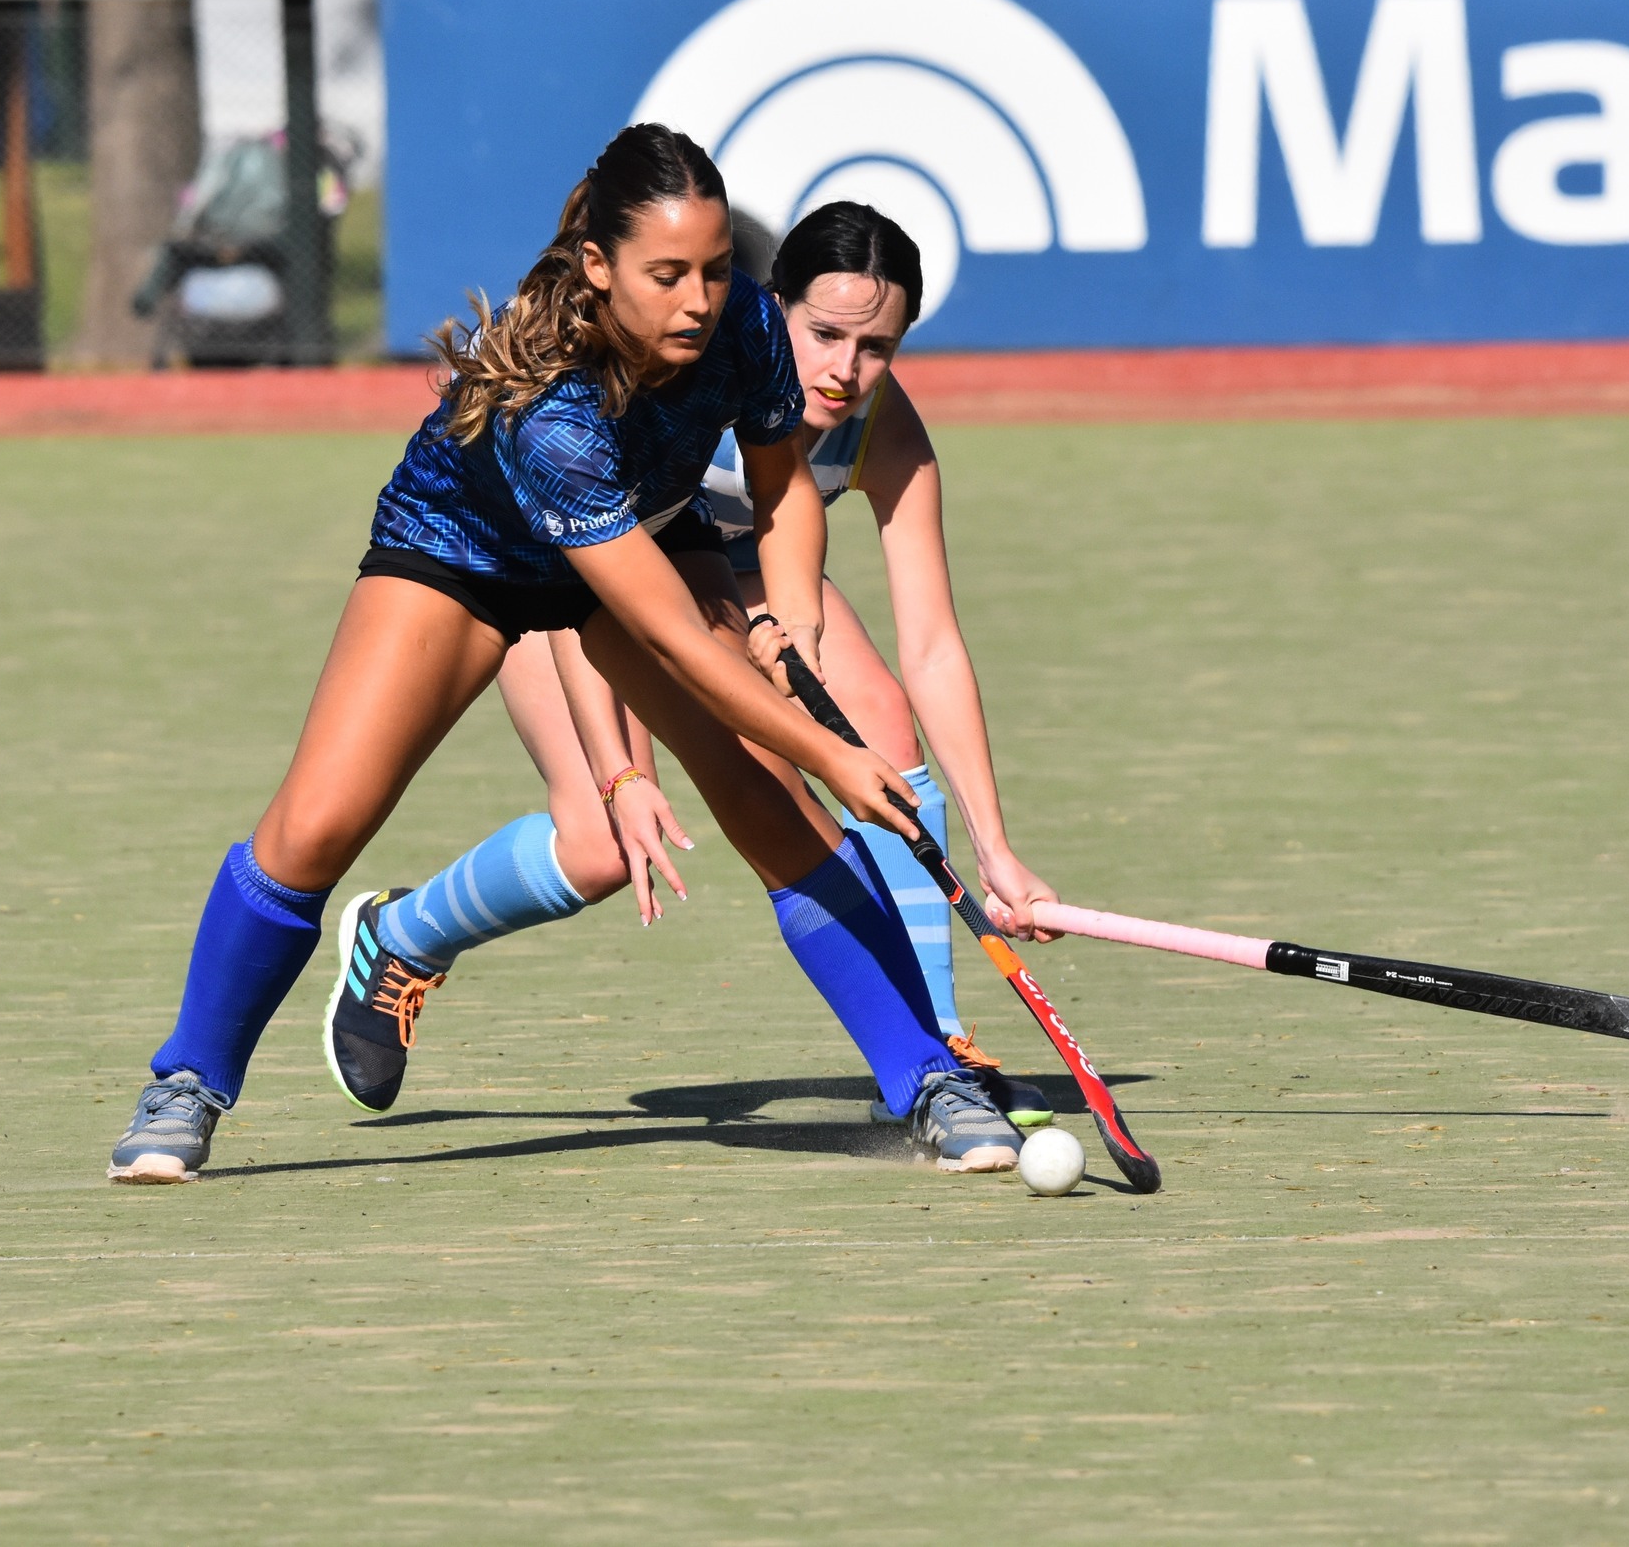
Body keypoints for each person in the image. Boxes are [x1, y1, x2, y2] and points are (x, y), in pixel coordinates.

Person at [108, 124, 1025, 1184]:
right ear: (599, 265)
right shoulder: (551, 405)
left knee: (772, 805)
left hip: (651, 524)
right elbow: (667, 634)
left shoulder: (743, 323)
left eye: (714, 269)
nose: (699, 300)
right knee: (315, 828)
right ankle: (188, 1079)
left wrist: (791, 629)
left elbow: (780, 484)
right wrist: (829, 749)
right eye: (667, 275)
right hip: (464, 551)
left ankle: (928, 1076)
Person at [330, 202, 1059, 1127]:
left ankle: (935, 1048)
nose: (845, 370)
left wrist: (995, 849)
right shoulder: (691, 375)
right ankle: (402, 935)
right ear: (770, 308)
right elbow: (580, 579)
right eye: (824, 335)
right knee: (600, 844)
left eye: (877, 346)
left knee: (878, 716)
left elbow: (932, 644)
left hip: (732, 576)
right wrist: (621, 771)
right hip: (555, 573)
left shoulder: (884, 430)